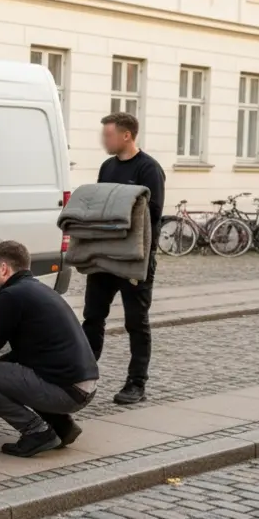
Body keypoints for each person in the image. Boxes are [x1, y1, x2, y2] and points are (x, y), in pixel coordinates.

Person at [0, 241, 99, 457]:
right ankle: (63, 426)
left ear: (3, 269)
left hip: (67, 391)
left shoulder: (12, 295)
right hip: (81, 386)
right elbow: (27, 352)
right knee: (1, 370)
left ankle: (36, 432)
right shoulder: (38, 289)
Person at [82, 112, 165, 405]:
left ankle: (136, 384)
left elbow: (152, 215)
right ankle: (83, 375)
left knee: (136, 322)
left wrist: (119, 216)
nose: (104, 139)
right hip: (104, 256)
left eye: (108, 134)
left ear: (126, 135)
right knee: (93, 317)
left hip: (135, 258)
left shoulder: (149, 169)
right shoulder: (107, 167)